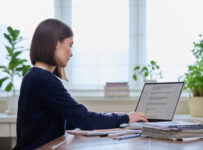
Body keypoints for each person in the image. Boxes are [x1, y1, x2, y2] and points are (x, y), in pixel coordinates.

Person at [12, 18, 147, 150]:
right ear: (56, 44)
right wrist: (126, 117)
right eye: (70, 45)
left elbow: (72, 120)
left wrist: (116, 116)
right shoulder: (43, 79)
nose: (71, 54)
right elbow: (84, 119)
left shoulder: (34, 76)